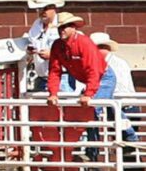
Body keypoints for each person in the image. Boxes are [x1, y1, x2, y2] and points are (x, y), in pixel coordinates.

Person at [46, 12, 138, 161]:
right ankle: (126, 136)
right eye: (60, 27)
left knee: (93, 109)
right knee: (103, 108)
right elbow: (54, 70)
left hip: (104, 77)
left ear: (73, 28)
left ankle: (93, 151)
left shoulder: (84, 43)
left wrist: (88, 93)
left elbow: (94, 70)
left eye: (66, 26)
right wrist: (53, 93)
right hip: (92, 79)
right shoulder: (58, 46)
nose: (62, 30)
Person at [90, 31, 139, 130]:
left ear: (104, 48)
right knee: (117, 139)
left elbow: (120, 88)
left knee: (127, 140)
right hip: (114, 107)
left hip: (125, 107)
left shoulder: (117, 64)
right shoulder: (105, 63)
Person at [27, 0, 73, 92]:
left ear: (54, 8)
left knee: (65, 105)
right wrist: (30, 52)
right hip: (41, 77)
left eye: (46, 8)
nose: (43, 11)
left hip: (62, 78)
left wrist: (53, 55)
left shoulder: (63, 24)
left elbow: (72, 50)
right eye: (40, 8)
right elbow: (31, 42)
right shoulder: (36, 25)